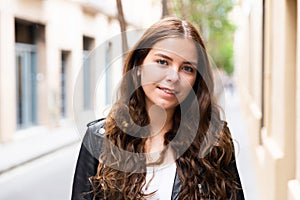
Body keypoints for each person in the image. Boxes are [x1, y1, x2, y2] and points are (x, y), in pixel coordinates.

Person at [71, 17, 245, 200]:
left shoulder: (214, 140)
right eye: (162, 62)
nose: (173, 77)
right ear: (138, 66)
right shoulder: (99, 139)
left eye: (187, 68)